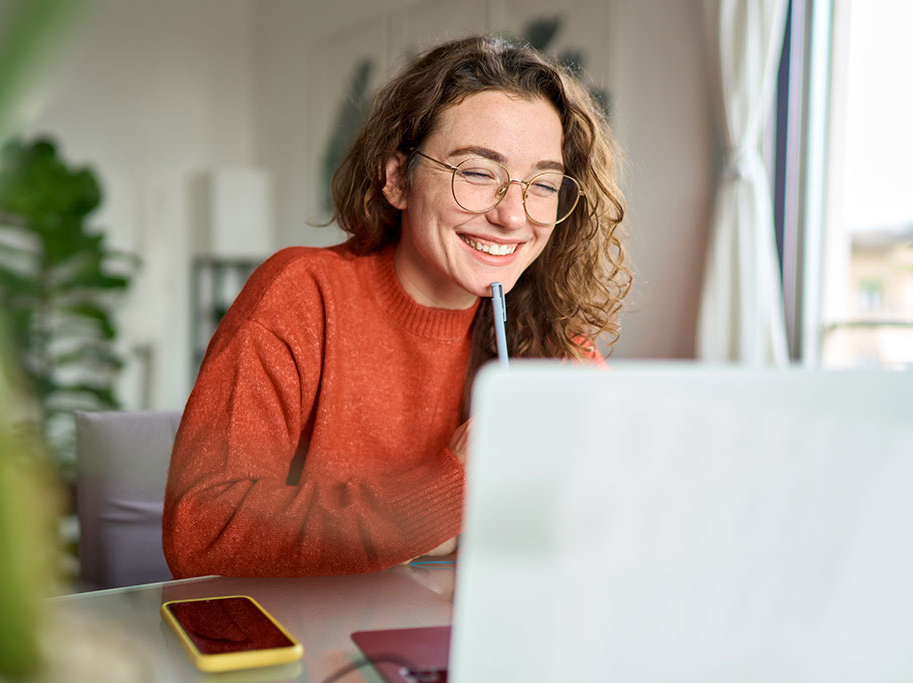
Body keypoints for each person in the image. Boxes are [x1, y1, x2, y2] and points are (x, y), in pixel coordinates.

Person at [162, 34, 631, 578]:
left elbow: (610, 517)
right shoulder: (300, 296)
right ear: (396, 179)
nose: (513, 215)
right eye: (478, 173)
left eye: (543, 184)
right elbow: (201, 531)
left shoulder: (550, 332)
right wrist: (451, 486)